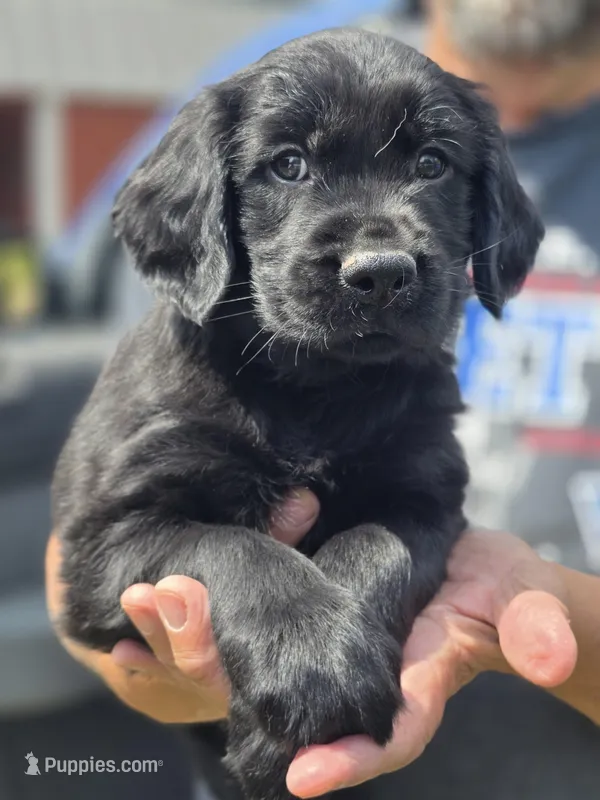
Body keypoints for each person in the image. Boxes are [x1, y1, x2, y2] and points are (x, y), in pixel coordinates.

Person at [47, 1, 600, 797]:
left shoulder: (415, 403)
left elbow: (421, 510)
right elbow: (93, 551)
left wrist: (558, 612)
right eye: (290, 168)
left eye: (432, 164)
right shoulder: (238, 88)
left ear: (488, 213)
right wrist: (218, 627)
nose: (378, 253)